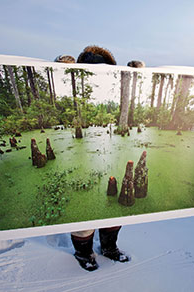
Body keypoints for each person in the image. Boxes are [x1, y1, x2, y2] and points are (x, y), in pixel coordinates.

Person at [54, 45, 144, 271]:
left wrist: (138, 72)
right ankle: (84, 253)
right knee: (83, 216)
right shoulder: (73, 86)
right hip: (80, 154)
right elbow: (57, 85)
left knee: (112, 211)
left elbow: (137, 93)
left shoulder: (116, 87)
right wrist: (59, 66)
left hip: (113, 153)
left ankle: (109, 248)